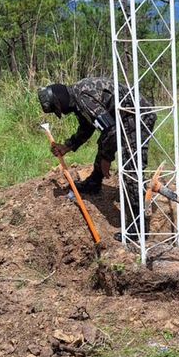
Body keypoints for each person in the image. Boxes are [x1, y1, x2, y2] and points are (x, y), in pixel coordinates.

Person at [38, 78, 156, 241]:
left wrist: (106, 158)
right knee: (104, 142)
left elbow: (111, 130)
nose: (63, 113)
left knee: (131, 170)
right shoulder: (78, 99)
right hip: (125, 118)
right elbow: (88, 127)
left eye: (59, 109)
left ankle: (137, 228)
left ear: (60, 100)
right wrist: (68, 146)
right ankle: (94, 183)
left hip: (137, 116)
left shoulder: (83, 97)